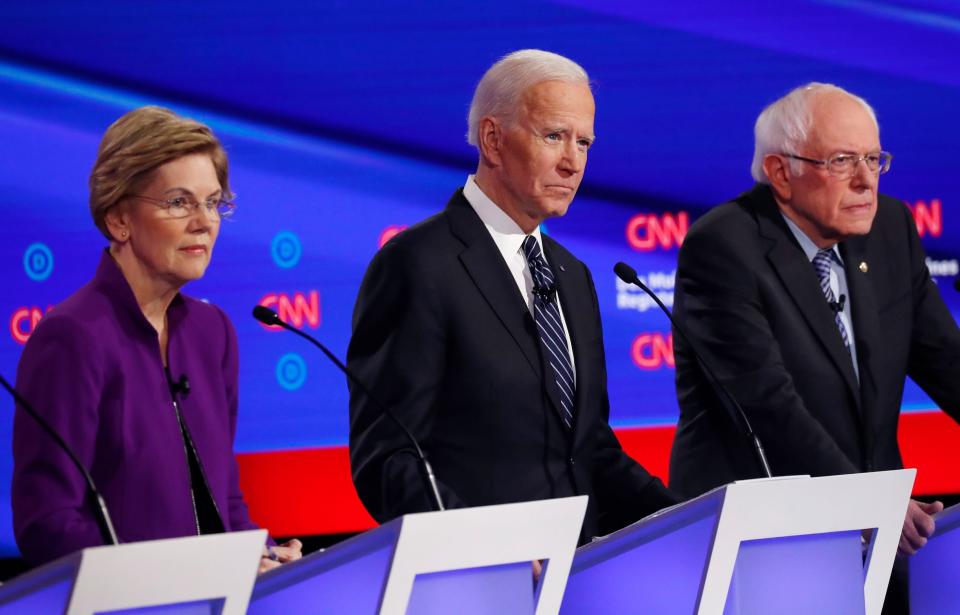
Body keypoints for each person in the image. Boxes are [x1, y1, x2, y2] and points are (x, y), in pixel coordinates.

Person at [348, 49, 679, 540]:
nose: (573, 163)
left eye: (584, 143)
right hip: (477, 584)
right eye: (554, 137)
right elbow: (389, 459)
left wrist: (684, 520)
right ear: (493, 139)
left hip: (577, 576)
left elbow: (588, 450)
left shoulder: (572, 274)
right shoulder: (418, 265)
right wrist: (486, 553)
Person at [669, 83, 960, 612]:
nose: (866, 180)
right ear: (782, 172)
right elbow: (769, 407)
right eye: (843, 160)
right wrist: (874, 503)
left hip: (876, 541)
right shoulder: (725, 245)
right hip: (768, 542)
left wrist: (876, 507)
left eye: (874, 159)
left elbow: (946, 359)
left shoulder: (889, 228)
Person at [12, 106, 301, 570]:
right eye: (178, 202)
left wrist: (258, 555)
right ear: (118, 219)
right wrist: (167, 581)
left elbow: (223, 501)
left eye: (213, 202)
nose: (204, 222)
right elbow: (47, 522)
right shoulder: (71, 338)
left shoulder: (213, 333)